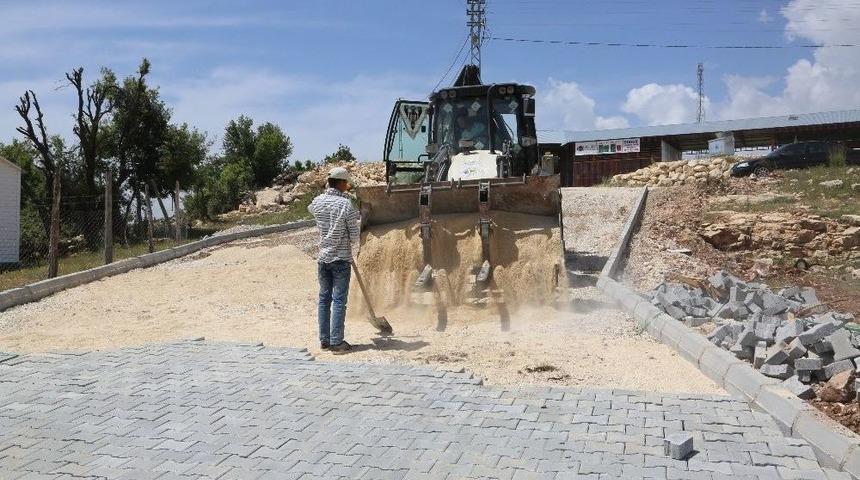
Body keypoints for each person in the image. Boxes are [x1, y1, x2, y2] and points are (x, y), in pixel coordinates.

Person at [307, 167, 360, 353]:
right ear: (342, 184)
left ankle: (325, 340)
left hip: (323, 258)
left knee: (324, 299)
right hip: (340, 259)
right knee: (338, 300)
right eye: (346, 183)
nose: (347, 186)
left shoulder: (317, 201)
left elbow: (311, 209)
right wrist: (348, 238)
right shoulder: (346, 205)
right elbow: (354, 235)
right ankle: (337, 342)